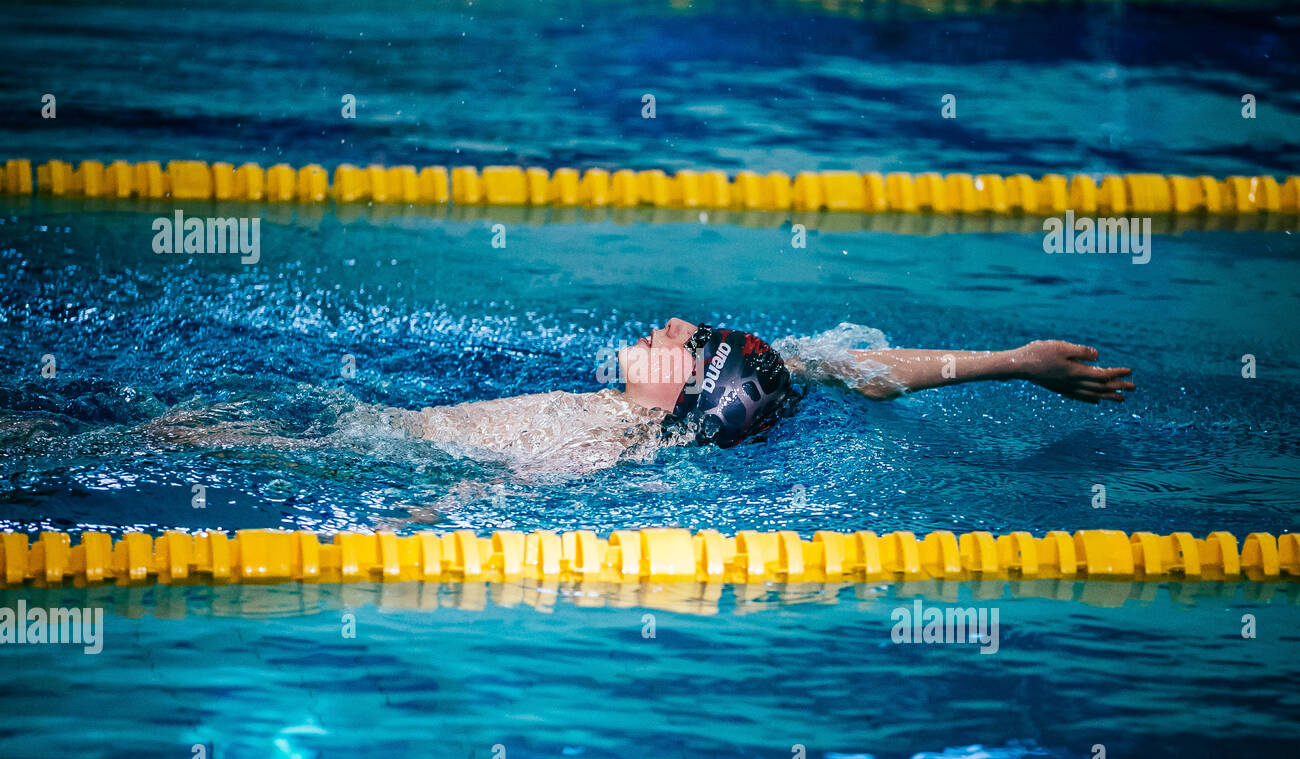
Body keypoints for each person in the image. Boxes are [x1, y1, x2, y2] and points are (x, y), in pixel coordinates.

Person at [387, 317, 1135, 475]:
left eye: (687, 340)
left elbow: (474, 500)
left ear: (690, 390)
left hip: (362, 451)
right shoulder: (682, 409)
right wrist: (1013, 360)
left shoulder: (599, 443)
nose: (671, 324)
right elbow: (851, 367)